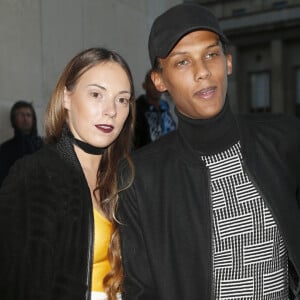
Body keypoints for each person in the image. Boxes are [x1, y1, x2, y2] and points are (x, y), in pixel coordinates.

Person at [117, 3, 300, 300]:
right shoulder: (139, 178)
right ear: (159, 80)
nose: (202, 72)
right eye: (182, 62)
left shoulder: (285, 139)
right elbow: (139, 291)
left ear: (228, 62)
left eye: (211, 54)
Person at [0, 47, 135, 300]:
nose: (111, 111)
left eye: (122, 99)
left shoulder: (128, 178)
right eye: (96, 94)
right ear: (66, 98)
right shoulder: (34, 174)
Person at [0, 100, 44, 186]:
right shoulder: (5, 149)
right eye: (21, 115)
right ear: (14, 119)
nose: (25, 118)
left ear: (33, 119)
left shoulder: (44, 147)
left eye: (28, 115)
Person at [134, 70, 176, 148]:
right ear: (144, 85)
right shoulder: (137, 110)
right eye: (152, 83)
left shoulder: (165, 107)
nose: (156, 86)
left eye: (159, 82)